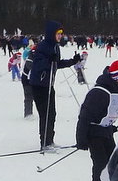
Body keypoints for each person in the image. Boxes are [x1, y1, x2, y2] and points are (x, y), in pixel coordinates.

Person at [76, 59, 118, 181]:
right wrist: (81, 139)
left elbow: (105, 113)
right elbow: (84, 116)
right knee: (100, 164)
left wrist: (109, 127)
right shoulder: (99, 92)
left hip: (105, 133)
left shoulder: (115, 89)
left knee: (113, 163)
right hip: (94, 134)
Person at [26, 21, 81, 150]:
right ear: (52, 34)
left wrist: (73, 61)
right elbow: (37, 65)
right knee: (45, 114)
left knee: (52, 114)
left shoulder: (55, 47)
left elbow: (57, 63)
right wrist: (48, 60)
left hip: (48, 85)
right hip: (39, 85)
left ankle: (50, 140)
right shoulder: (42, 46)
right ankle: (44, 142)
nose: (60, 36)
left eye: (61, 33)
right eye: (58, 33)